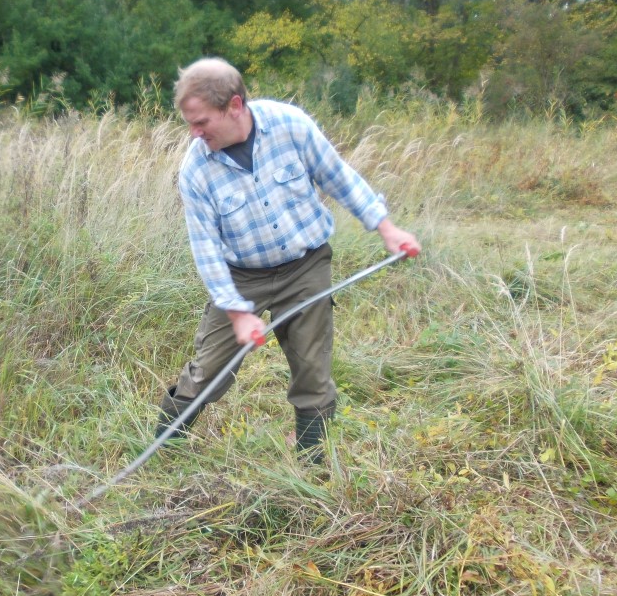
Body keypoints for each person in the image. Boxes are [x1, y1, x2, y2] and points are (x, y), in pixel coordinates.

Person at [157, 57, 421, 464]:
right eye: (190, 123)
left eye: (201, 122)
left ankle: (312, 470)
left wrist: (387, 229)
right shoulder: (195, 169)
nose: (194, 133)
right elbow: (206, 250)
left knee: (312, 371)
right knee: (206, 372)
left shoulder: (290, 125)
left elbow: (339, 177)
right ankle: (161, 453)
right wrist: (237, 313)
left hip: (306, 267)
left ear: (234, 106)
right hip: (240, 277)